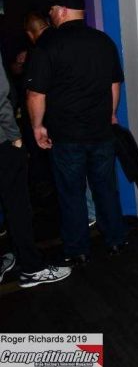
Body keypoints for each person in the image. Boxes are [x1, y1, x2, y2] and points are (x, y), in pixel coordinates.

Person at [25, 0, 128, 265]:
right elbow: (114, 84)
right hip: (101, 131)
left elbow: (36, 94)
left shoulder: (48, 44)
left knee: (71, 193)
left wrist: (37, 127)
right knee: (105, 188)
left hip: (67, 134)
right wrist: (110, 114)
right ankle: (116, 239)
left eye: (51, 11)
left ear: (61, 11)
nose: (50, 15)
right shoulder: (103, 41)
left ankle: (78, 249)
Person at [0, 50, 72, 287]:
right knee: (17, 204)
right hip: (3, 141)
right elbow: (0, 96)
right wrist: (15, 136)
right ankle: (32, 268)